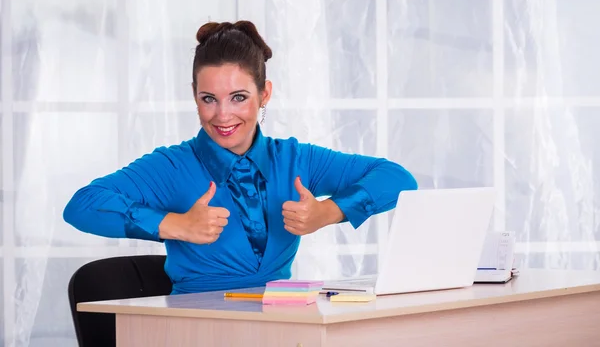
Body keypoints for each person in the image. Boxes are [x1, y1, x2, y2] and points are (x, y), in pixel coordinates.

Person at [63, 20, 418, 295]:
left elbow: (397, 178)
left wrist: (329, 212)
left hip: (279, 325)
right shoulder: (172, 166)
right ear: (194, 95)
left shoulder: (295, 160)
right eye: (208, 99)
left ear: (265, 94)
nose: (222, 115)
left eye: (238, 97)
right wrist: (176, 225)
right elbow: (82, 205)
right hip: (193, 329)